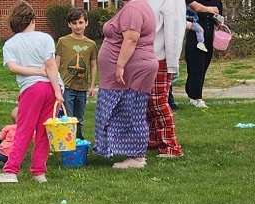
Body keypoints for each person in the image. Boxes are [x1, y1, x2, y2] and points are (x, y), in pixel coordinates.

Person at [0, 2, 63, 183]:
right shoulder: (45, 38)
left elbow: (13, 68)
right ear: (32, 19)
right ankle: (39, 173)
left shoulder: (9, 44)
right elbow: (51, 66)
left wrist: (36, 73)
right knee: (44, 132)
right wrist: (57, 91)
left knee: (24, 130)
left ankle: (10, 171)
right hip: (52, 88)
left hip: (32, 89)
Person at [93, 0, 157, 169]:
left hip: (132, 69)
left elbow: (131, 39)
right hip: (135, 68)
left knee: (131, 112)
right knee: (128, 111)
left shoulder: (133, 8)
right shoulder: (139, 5)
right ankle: (133, 154)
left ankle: (136, 158)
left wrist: (120, 65)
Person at [143, 0, 184, 158]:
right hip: (146, 56)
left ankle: (171, 145)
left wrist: (172, 63)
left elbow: (174, 30)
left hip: (160, 58)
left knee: (158, 102)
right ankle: (153, 139)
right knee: (148, 102)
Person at [55, 7, 97, 141]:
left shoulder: (91, 44)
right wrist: (55, 84)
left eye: (80, 22)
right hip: (67, 86)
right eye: (74, 23)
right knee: (67, 116)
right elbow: (56, 63)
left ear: (86, 23)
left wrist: (92, 86)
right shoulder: (63, 41)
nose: (78, 26)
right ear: (69, 24)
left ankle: (78, 139)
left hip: (82, 88)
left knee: (80, 117)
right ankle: (68, 140)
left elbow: (93, 65)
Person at [183, 0, 222, 109]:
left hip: (209, 36)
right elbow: (197, 8)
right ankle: (197, 97)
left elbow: (217, 18)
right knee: (197, 66)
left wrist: (220, 22)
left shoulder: (217, 1)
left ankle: (192, 93)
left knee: (204, 66)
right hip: (195, 36)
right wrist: (209, 9)